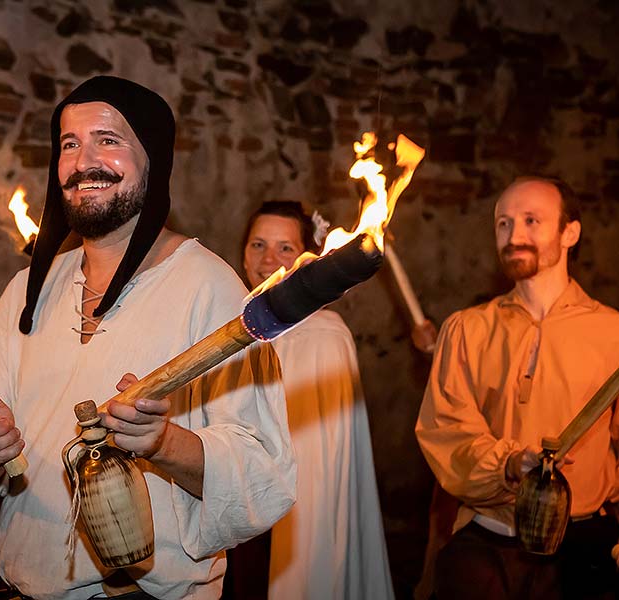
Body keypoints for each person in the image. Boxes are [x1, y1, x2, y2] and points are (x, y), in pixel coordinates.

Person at [0, 76, 295, 600]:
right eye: (70, 144)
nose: (83, 162)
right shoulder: (26, 291)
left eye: (109, 140)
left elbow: (263, 472)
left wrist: (164, 444)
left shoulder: (212, 291)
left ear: (153, 160)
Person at [415, 176, 619, 599]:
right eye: (503, 223)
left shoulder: (612, 332)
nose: (514, 236)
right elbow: (446, 431)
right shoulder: (466, 328)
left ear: (570, 232)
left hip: (583, 550)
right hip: (486, 545)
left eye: (531, 220)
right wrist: (508, 465)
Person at [223, 201, 394, 600]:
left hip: (294, 519)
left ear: (307, 255)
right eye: (258, 245)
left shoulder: (325, 337)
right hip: (231, 509)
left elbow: (320, 459)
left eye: (285, 248)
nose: (268, 259)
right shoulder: (229, 325)